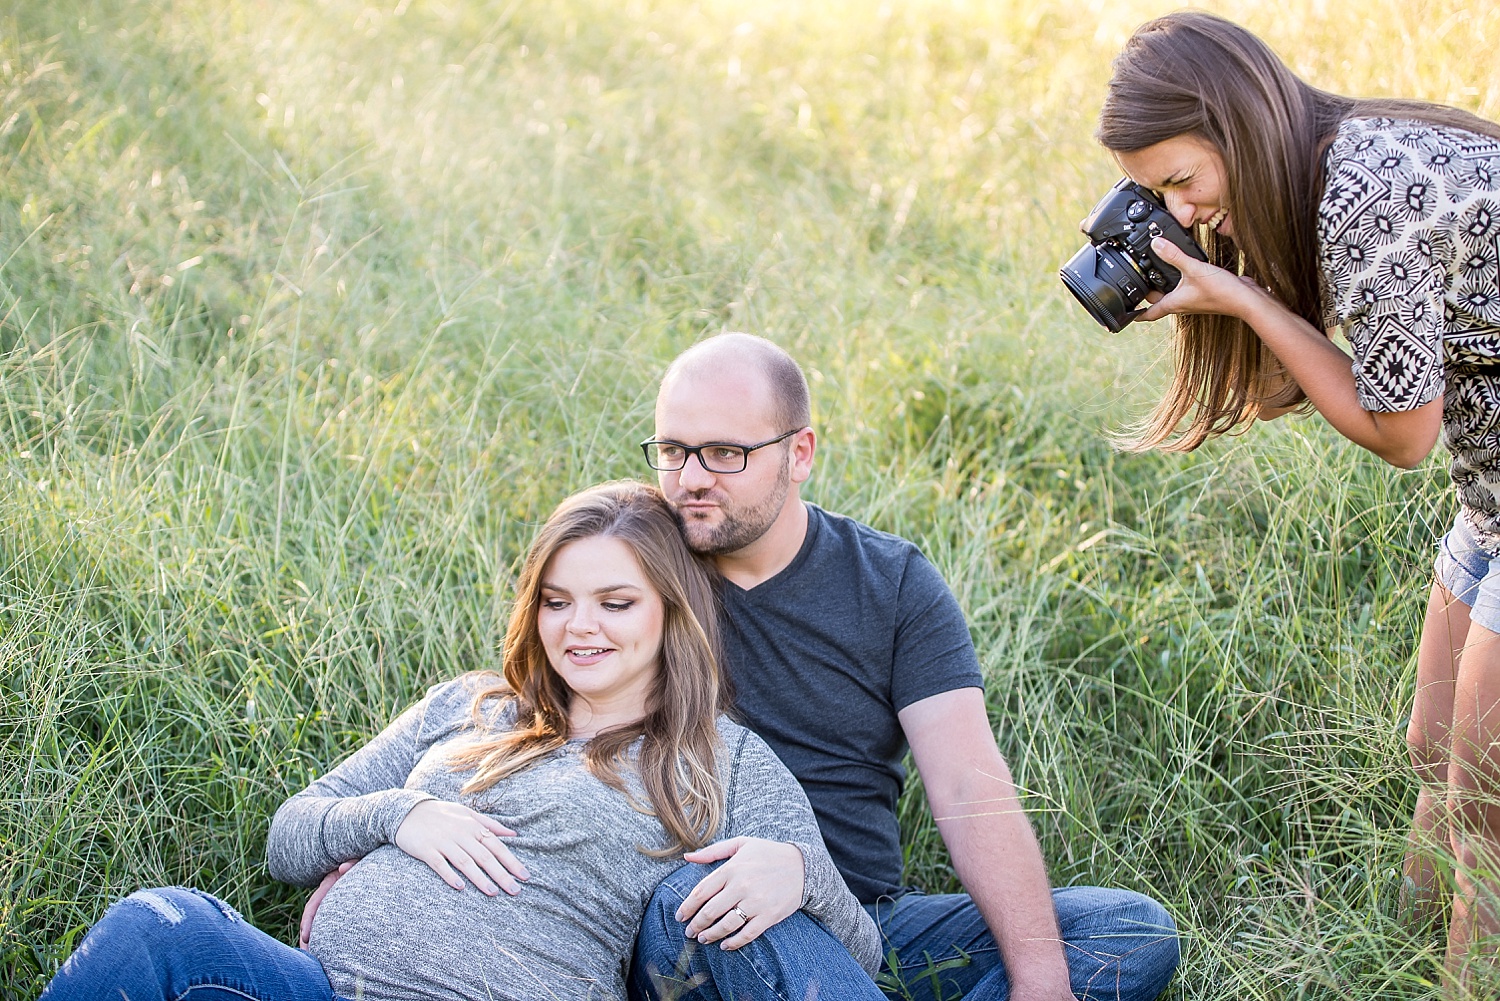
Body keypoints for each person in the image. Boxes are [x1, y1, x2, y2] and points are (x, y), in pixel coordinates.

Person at [38, 481, 882, 1001]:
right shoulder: (475, 704)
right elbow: (290, 831)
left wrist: (802, 874)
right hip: (325, 990)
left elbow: (857, 955)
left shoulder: (723, 758)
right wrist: (399, 814)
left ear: (672, 612)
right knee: (159, 926)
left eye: (614, 602)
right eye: (556, 600)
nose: (579, 627)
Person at [1092, 9, 1500, 990]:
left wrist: (1244, 300)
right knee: (1434, 745)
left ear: (1235, 126)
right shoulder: (1330, 162)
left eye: (1181, 181)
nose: (1180, 214)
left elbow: (1401, 434)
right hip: (1487, 492)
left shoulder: (1364, 196)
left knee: (1484, 796)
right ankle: (1393, 963)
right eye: (1152, 193)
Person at [629, 332, 1181, 1001]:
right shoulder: (634, 571)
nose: (690, 478)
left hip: (868, 924)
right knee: (715, 899)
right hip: (702, 916)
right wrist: (457, 809)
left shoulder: (889, 583)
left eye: (724, 453)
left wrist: (1040, 982)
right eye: (672, 450)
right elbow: (532, 713)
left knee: (1127, 931)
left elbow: (967, 787)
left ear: (799, 452)